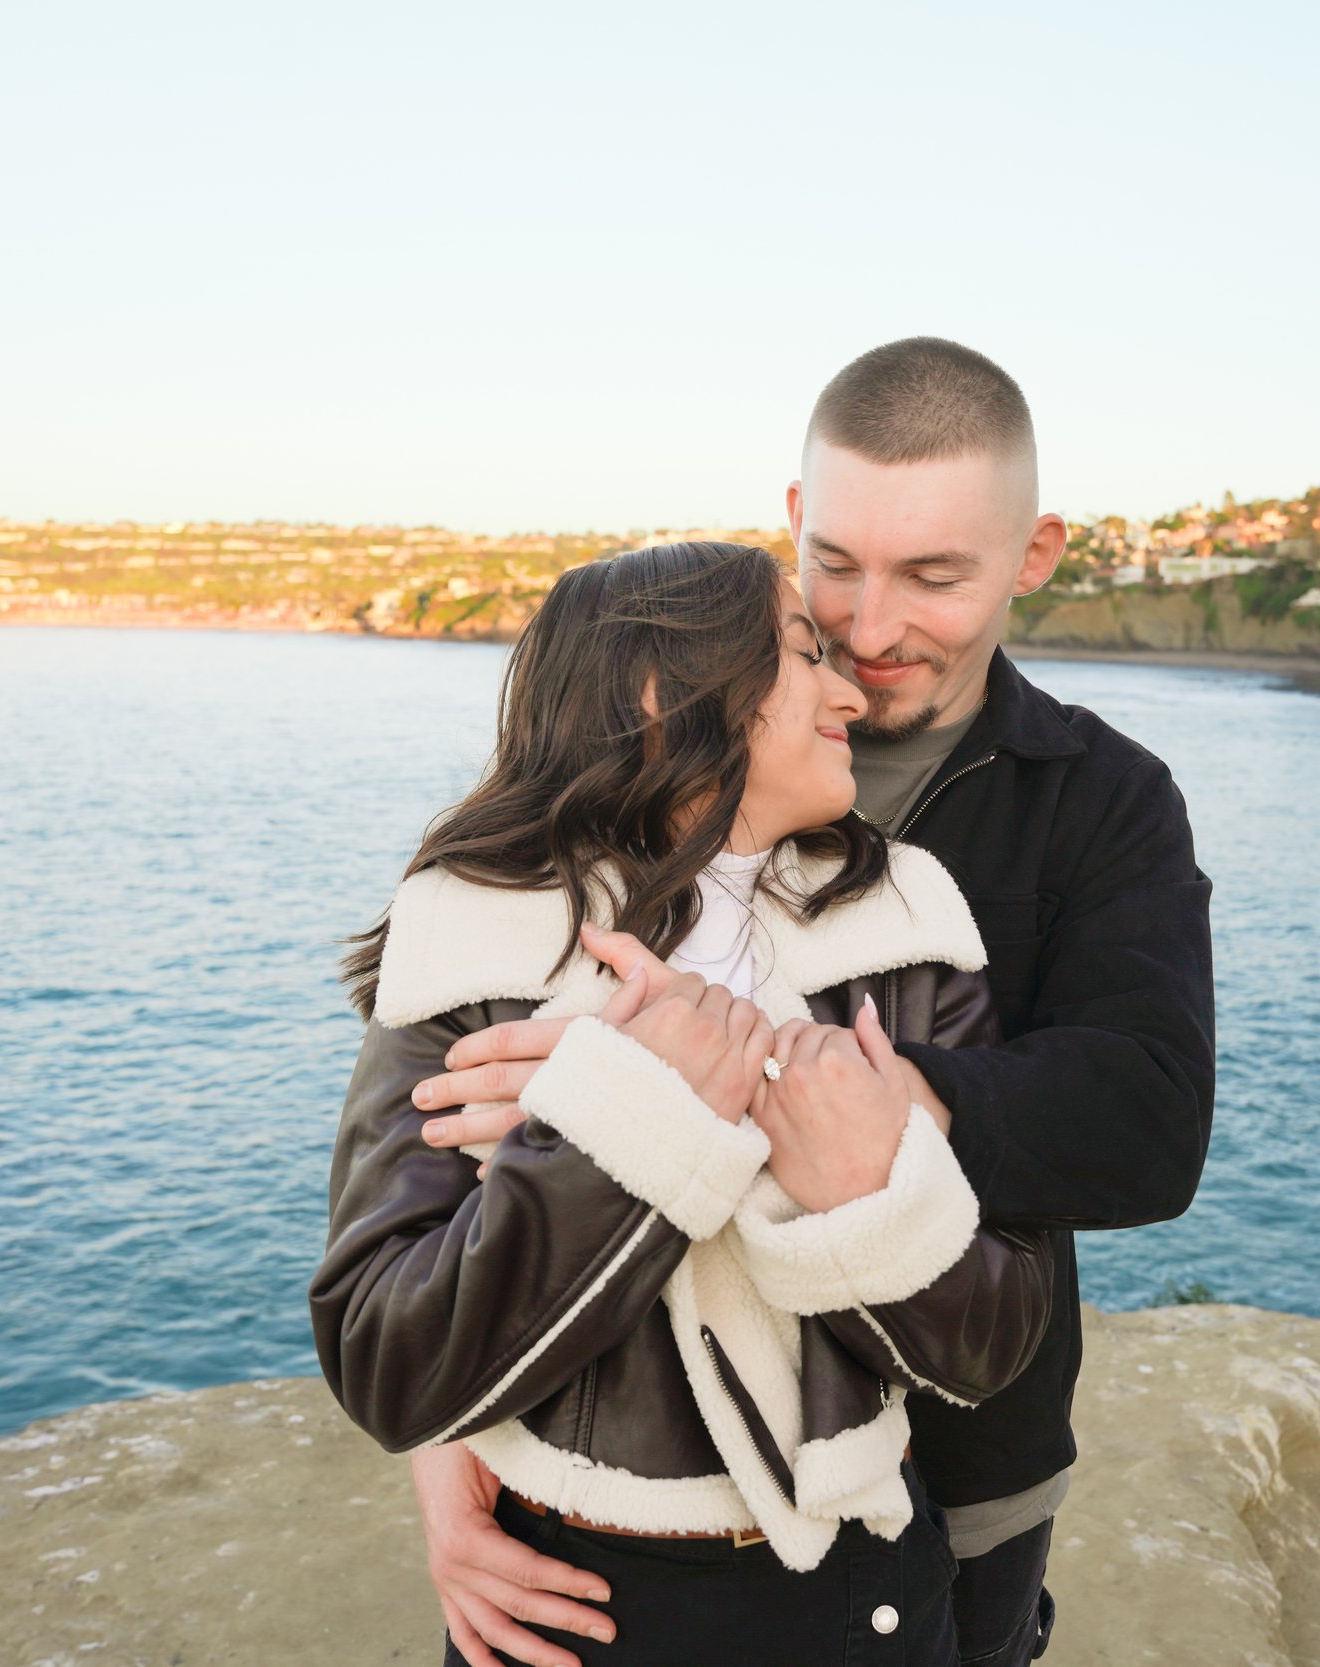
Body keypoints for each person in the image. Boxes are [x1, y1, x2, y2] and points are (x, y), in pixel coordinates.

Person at [405, 339, 1217, 1667]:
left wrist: (826, 1085)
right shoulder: (651, 743)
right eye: (835, 564)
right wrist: (446, 1434)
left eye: (936, 576)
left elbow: (1149, 1122)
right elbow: (444, 1118)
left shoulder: (1106, 799)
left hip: (968, 1455)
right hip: (635, 1484)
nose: (871, 626)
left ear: (1037, 552)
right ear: (792, 520)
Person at [311, 541, 1058, 1666]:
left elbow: (991, 1344)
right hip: (579, 1603)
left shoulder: (910, 922)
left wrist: (852, 1181)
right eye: (807, 652)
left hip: (865, 1587)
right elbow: (388, 1358)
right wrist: (632, 1117)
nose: (851, 689)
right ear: (668, 695)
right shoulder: (471, 929)